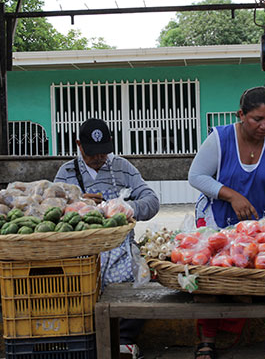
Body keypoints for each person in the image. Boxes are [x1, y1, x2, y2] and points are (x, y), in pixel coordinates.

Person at [187, 86, 265, 359]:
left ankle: (234, 333)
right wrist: (232, 195)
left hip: (260, 226)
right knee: (212, 281)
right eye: (257, 119)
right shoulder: (220, 139)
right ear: (241, 115)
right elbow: (197, 176)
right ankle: (208, 339)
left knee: (250, 279)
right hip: (217, 224)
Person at [55, 118, 159, 359]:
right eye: (93, 153)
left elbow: (152, 202)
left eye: (104, 152)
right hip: (81, 247)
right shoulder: (66, 173)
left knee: (137, 281)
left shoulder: (123, 168)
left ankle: (123, 340)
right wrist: (79, 205)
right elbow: (53, 211)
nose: (100, 157)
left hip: (119, 244)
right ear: (79, 145)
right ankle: (85, 338)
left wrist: (128, 208)